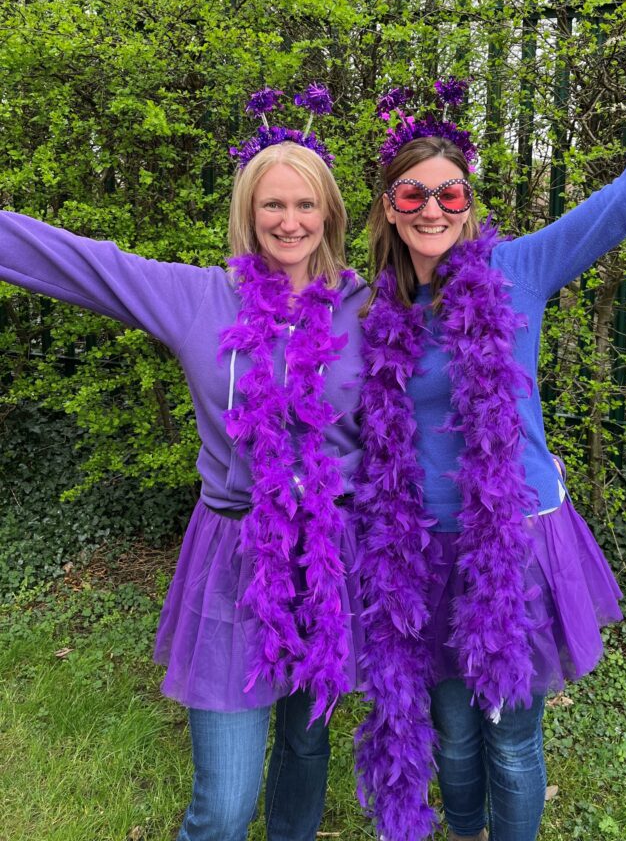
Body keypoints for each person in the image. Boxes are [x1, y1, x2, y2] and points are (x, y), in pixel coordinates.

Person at [353, 0, 626, 841]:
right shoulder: (368, 311)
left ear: (469, 204)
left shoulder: (521, 272)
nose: (433, 208)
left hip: (514, 543)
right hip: (415, 554)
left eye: (450, 193)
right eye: (413, 196)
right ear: (390, 212)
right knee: (456, 742)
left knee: (510, 740)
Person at [0, 86, 368, 841]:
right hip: (237, 554)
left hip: (330, 559)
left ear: (329, 213)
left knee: (304, 743)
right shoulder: (200, 298)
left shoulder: (369, 308)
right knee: (225, 803)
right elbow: (76, 262)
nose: (289, 221)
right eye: (272, 205)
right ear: (248, 211)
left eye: (305, 205)